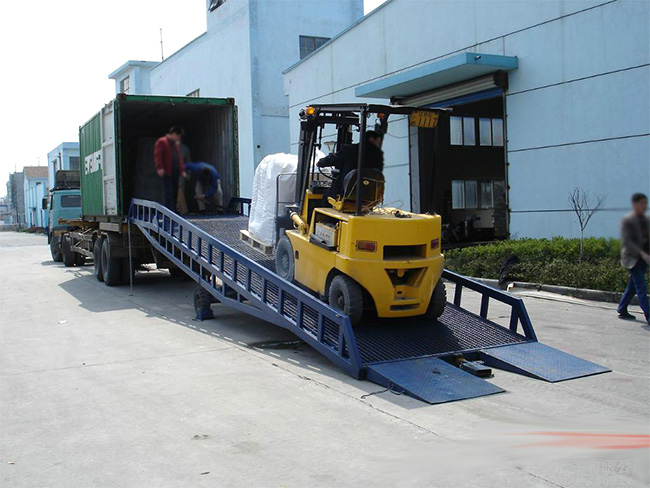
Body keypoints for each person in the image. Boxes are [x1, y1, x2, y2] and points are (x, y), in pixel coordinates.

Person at [317, 130, 384, 200]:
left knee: (326, 194)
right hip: (370, 195)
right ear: (372, 139)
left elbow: (333, 159)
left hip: (345, 192)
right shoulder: (378, 156)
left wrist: (320, 163)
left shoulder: (351, 149)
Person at [617, 193, 650, 324]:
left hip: (643, 260)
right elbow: (628, 242)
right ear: (635, 204)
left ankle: (622, 308)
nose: (644, 206)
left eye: (645, 203)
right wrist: (642, 253)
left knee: (633, 286)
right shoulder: (627, 221)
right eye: (642, 203)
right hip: (632, 259)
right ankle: (648, 315)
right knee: (641, 286)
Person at [154, 126, 187, 210]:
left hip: (175, 171)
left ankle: (174, 209)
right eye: (178, 136)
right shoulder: (162, 142)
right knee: (168, 191)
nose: (179, 138)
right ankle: (169, 210)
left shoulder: (175, 144)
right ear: (174, 134)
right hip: (167, 171)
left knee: (175, 191)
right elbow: (158, 155)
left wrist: (182, 170)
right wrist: (159, 167)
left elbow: (179, 158)